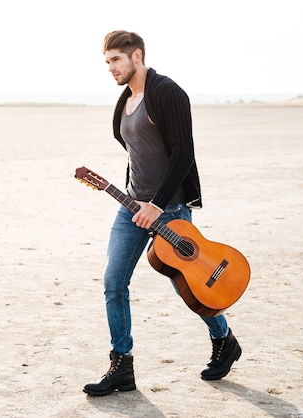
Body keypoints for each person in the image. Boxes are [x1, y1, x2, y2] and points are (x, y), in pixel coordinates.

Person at [83, 30, 242, 397]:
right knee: (113, 282)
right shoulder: (125, 100)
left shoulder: (167, 92)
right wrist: (135, 198)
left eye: (115, 60)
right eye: (106, 62)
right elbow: (135, 152)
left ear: (136, 56)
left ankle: (224, 339)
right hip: (133, 208)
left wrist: (157, 204)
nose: (110, 68)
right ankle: (122, 365)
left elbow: (184, 152)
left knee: (192, 286)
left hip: (168, 208)